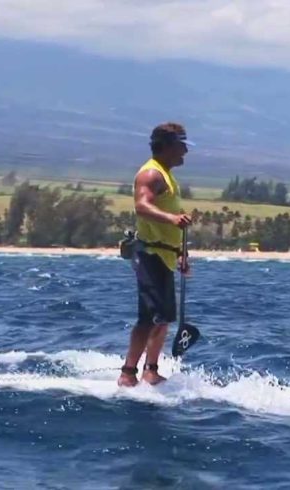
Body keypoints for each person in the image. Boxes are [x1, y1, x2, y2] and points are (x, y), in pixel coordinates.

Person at [118, 122, 194, 387]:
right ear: (168, 146)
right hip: (149, 255)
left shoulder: (168, 175)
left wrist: (181, 254)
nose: (185, 151)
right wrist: (172, 218)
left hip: (166, 256)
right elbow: (142, 206)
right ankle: (128, 373)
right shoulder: (151, 174)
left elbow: (174, 226)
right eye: (181, 145)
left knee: (164, 318)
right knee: (149, 317)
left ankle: (151, 370)